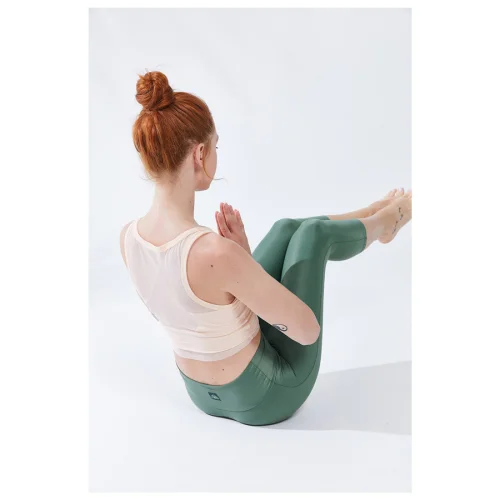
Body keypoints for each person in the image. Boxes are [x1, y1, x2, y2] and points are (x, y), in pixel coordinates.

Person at [120, 70, 412, 426]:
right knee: (312, 236)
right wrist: (243, 264)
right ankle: (387, 222)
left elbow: (201, 310)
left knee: (285, 228)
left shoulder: (128, 239)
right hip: (266, 395)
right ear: (199, 154)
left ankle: (371, 213)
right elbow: (307, 332)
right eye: (215, 147)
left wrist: (243, 263)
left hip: (198, 392)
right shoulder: (213, 252)